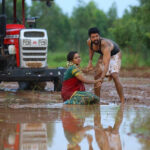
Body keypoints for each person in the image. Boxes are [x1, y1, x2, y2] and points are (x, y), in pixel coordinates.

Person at [87, 27, 125, 103]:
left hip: (115, 54)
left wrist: (102, 77)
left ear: (99, 36)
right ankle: (97, 100)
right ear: (90, 38)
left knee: (114, 75)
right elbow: (91, 50)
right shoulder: (89, 42)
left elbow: (106, 63)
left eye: (97, 36)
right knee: (96, 76)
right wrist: (90, 62)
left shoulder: (104, 44)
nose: (95, 39)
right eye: (93, 37)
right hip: (104, 54)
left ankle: (122, 100)